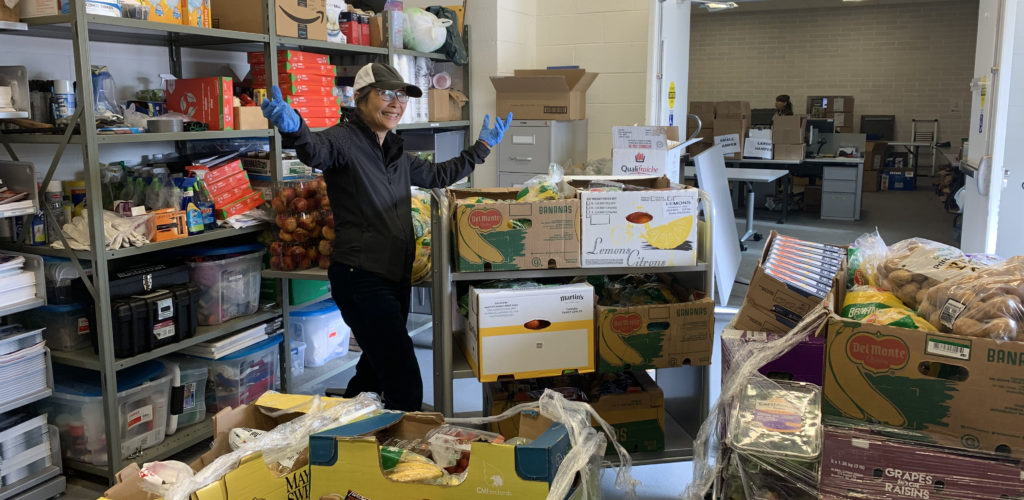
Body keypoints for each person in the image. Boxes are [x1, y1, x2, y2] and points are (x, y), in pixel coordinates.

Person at [261, 62, 512, 411]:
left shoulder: (394, 150)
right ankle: (405, 454)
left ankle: (336, 439)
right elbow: (315, 149)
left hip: (395, 276)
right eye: (386, 94)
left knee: (374, 375)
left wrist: (482, 147)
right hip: (360, 276)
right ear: (361, 99)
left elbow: (440, 174)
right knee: (405, 383)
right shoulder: (343, 140)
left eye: (402, 96)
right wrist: (295, 129)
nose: (396, 103)